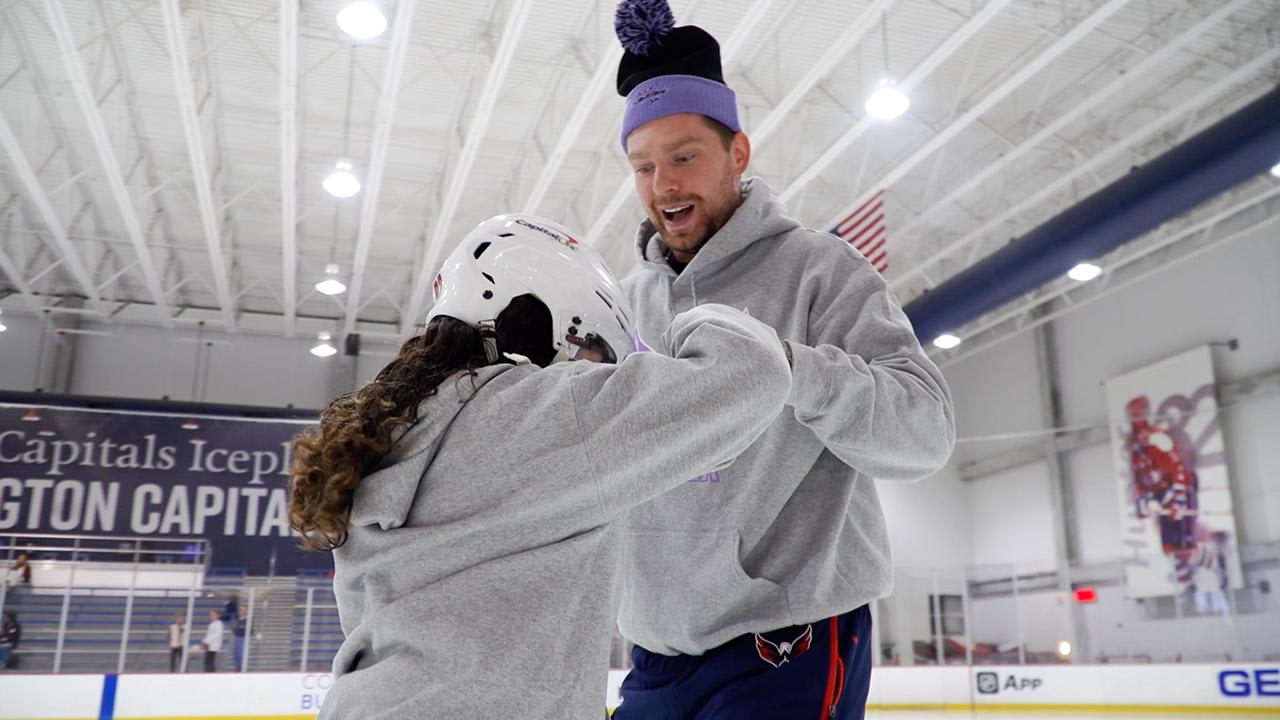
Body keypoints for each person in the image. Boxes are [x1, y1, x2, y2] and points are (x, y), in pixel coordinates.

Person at [287, 214, 792, 718]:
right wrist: (680, 313)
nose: (598, 375)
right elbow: (752, 374)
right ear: (558, 328)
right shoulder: (542, 412)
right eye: (597, 354)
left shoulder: (385, 435)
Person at [608, 2, 956, 717]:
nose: (663, 185)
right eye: (643, 167)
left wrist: (787, 366)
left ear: (738, 153)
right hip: (654, 651)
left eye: (684, 157)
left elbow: (924, 431)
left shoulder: (820, 270)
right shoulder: (626, 302)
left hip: (784, 644)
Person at [232, 605, 248, 671]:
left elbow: (248, 631)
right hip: (237, 638)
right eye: (241, 610)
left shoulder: (247, 620)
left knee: (240, 655)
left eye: (244, 610)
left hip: (243, 639)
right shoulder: (237, 620)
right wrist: (240, 628)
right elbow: (234, 630)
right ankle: (237, 669)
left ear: (246, 611)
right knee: (236, 655)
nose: (242, 611)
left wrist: (240, 628)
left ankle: (241, 670)